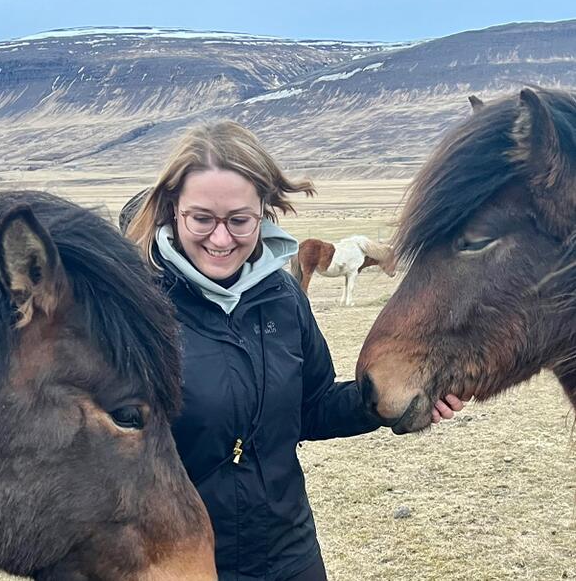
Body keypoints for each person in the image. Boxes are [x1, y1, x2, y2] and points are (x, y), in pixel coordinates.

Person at [125, 121, 466, 581]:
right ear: (173, 210)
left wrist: (389, 404)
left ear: (263, 212)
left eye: (239, 220)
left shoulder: (284, 298)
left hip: (289, 554)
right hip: (179, 562)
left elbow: (314, 407)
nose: (221, 239)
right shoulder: (134, 310)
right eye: (202, 219)